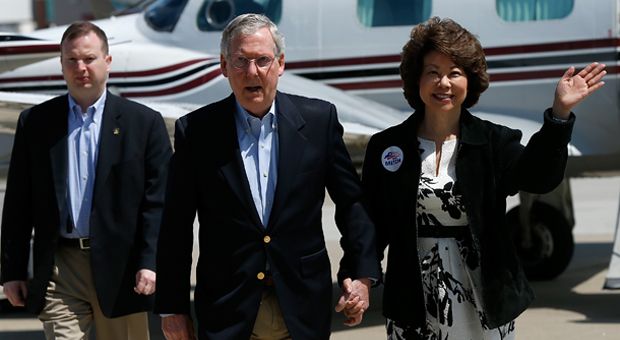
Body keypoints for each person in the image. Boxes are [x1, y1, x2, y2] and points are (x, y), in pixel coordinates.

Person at [361, 17, 606, 340]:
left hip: (484, 295)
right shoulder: (387, 147)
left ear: (470, 81)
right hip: (412, 298)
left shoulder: (494, 142)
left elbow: (539, 177)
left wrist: (559, 115)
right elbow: (369, 222)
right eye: (432, 72)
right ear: (416, 79)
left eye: (454, 73)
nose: (443, 83)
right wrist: (360, 275)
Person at [154, 13, 379, 340]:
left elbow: (352, 204)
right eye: (240, 61)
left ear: (281, 63)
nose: (252, 72)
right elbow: (175, 226)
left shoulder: (318, 121)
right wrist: (172, 307)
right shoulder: (197, 132)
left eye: (262, 60)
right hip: (228, 310)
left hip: (302, 307)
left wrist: (360, 274)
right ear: (223, 66)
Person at [0, 21, 172, 339]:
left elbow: (158, 204)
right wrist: (11, 271)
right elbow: (18, 204)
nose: (81, 68)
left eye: (89, 58)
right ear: (62, 64)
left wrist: (151, 262)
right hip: (60, 268)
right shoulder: (36, 123)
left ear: (107, 62)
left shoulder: (143, 124)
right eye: (72, 60)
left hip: (122, 268)